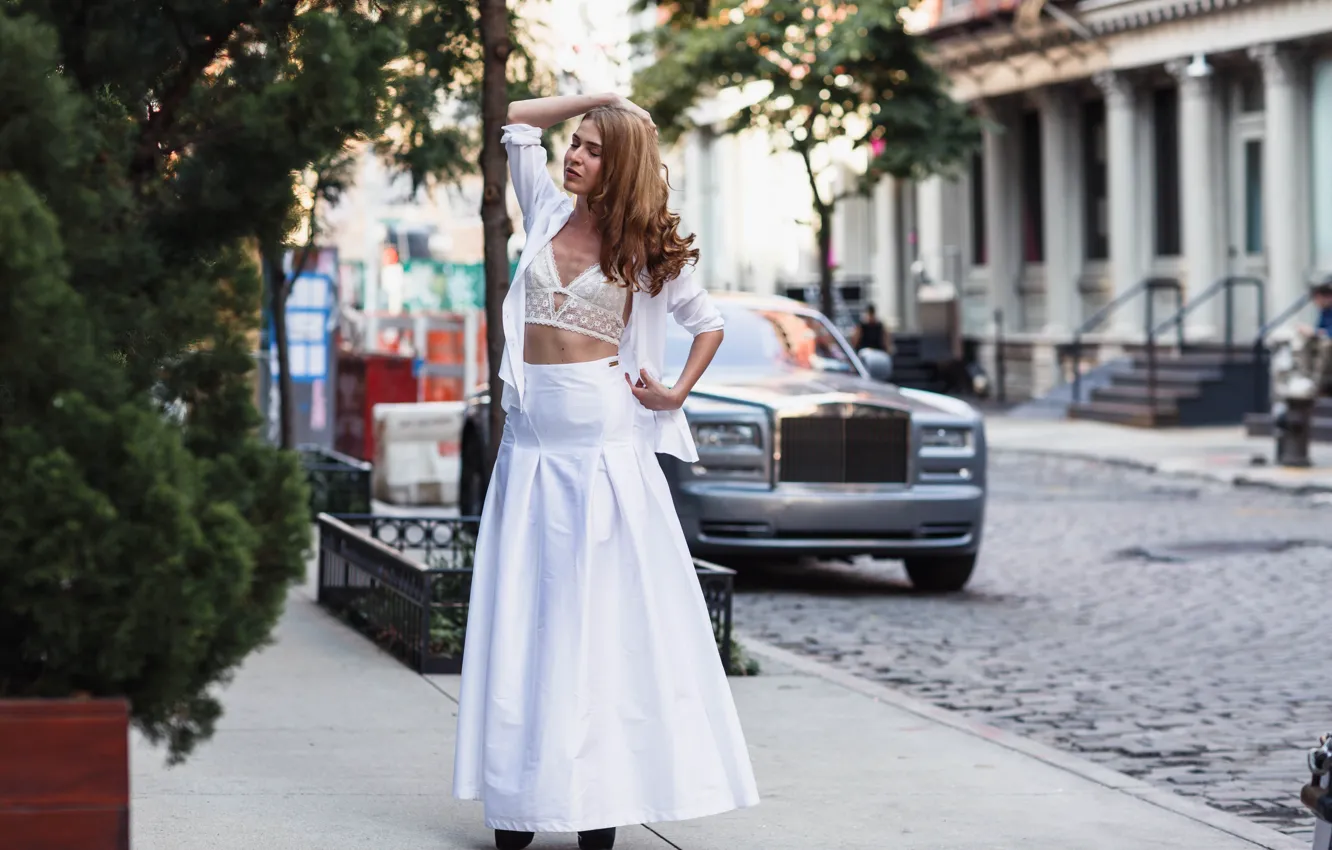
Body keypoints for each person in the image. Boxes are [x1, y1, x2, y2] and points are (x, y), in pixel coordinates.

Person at [452, 93, 760, 850]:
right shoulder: (546, 209)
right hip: (528, 454)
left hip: (601, 460)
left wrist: (676, 390)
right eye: (577, 143)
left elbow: (709, 323)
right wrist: (601, 99)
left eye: (591, 147)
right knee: (525, 622)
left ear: (617, 164)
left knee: (597, 631)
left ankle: (599, 803)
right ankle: (521, 798)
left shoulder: (643, 250)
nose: (575, 154)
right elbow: (518, 118)